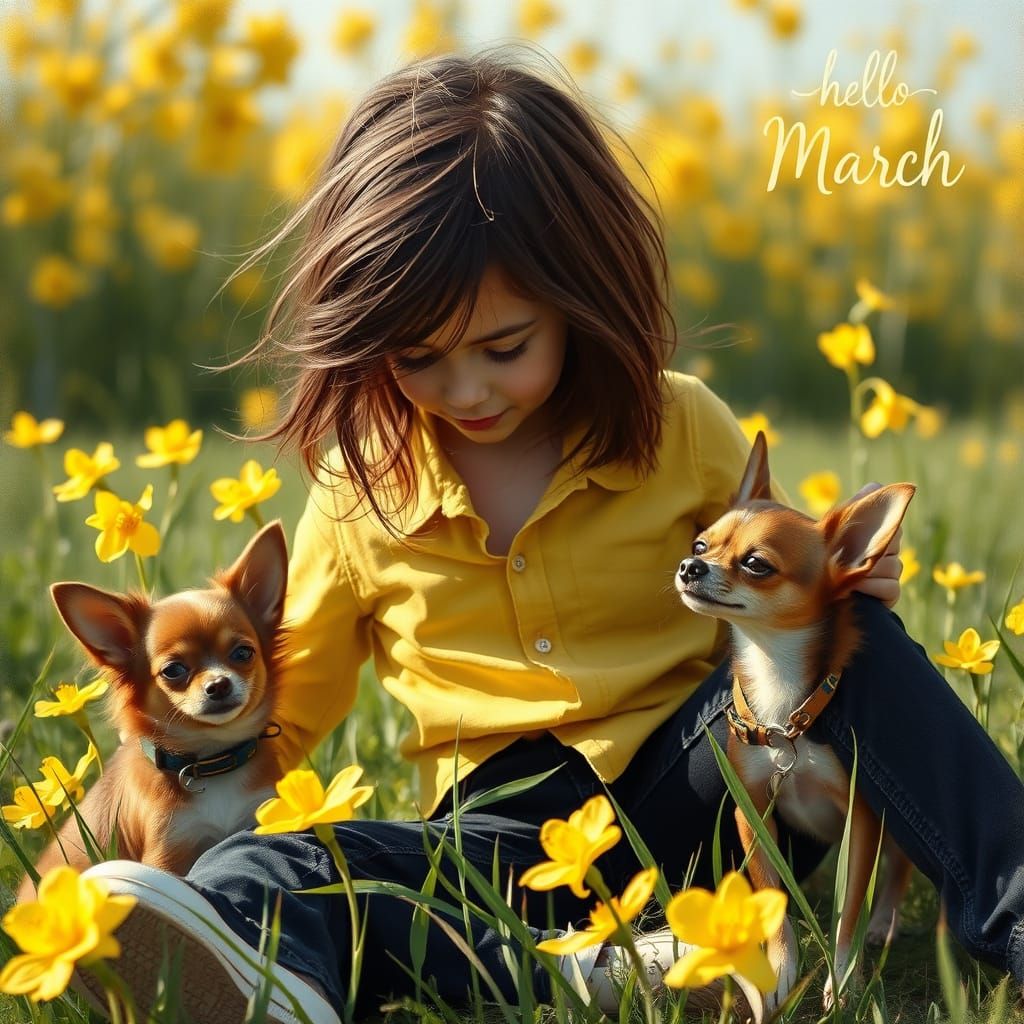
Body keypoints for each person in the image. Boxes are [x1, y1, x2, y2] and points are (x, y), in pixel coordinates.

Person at [78, 50, 1023, 1023]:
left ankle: (1012, 909)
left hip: (700, 797)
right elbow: (275, 717)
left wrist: (838, 586)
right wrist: (133, 788)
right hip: (493, 847)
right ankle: (527, 975)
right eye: (420, 358)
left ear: (580, 300)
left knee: (860, 657)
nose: (468, 391)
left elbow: (775, 572)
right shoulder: (359, 490)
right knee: (265, 865)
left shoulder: (680, 426)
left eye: (504, 347)